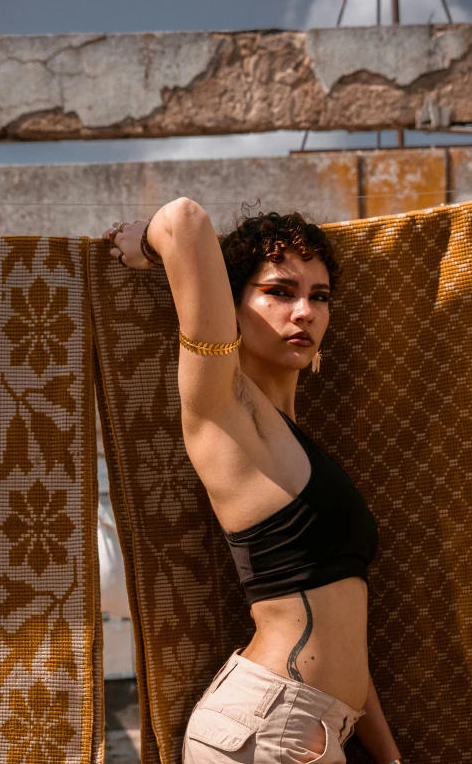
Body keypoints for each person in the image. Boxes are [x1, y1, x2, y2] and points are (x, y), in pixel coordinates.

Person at [102, 199, 403, 764]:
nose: (304, 312)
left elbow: (342, 625)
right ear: (233, 306)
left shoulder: (295, 438)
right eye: (280, 291)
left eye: (319, 296)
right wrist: (144, 243)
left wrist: (387, 755)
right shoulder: (223, 408)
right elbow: (186, 221)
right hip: (268, 729)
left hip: (310, 727)